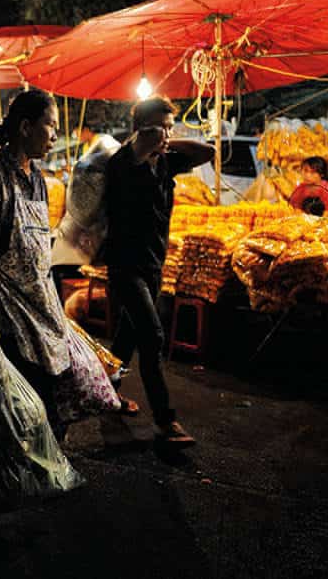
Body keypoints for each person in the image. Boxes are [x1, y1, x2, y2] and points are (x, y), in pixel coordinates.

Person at [103, 95, 215, 448]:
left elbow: (207, 152)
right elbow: (121, 180)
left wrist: (166, 139)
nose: (166, 135)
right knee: (151, 335)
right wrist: (140, 144)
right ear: (140, 129)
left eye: (170, 127)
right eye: (160, 127)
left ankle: (106, 391)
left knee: (126, 337)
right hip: (124, 265)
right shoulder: (120, 162)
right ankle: (166, 420)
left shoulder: (166, 162)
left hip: (154, 263)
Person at [0, 89, 70, 437]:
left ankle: (43, 467)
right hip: (9, 313)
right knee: (21, 402)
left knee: (52, 394)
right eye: (50, 125)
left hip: (42, 303)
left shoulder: (38, 179)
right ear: (26, 127)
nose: (55, 134)